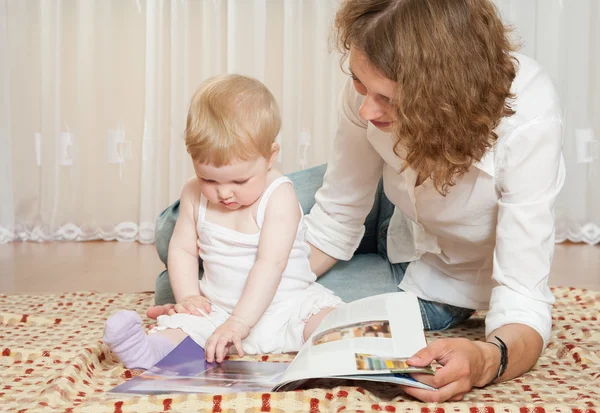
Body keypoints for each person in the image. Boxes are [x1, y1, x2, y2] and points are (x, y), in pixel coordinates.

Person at [150, 0, 564, 403]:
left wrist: (489, 360)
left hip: (437, 274)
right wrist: (240, 289)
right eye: (359, 83)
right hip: (391, 209)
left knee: (186, 285)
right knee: (176, 230)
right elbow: (339, 213)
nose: (365, 108)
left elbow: (522, 299)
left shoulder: (528, 121)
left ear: (443, 100)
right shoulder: (372, 91)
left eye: (388, 99)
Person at [103, 74, 342, 368]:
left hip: (285, 306)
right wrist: (190, 296)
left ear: (270, 157)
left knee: (328, 321)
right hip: (218, 310)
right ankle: (146, 352)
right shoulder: (193, 193)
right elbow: (182, 249)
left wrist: (240, 323)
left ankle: (347, 348)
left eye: (240, 180)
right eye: (209, 179)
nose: (224, 192)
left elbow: (271, 264)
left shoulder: (279, 196)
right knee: (185, 327)